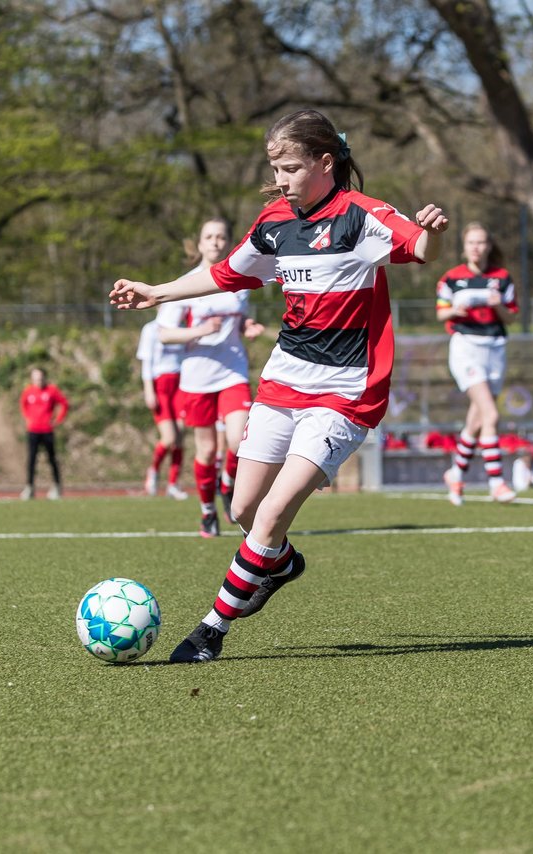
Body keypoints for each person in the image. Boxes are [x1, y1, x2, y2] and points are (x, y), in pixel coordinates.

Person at [111, 108, 449, 663]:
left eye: (290, 167)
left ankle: (209, 632)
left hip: (344, 393)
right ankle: (282, 563)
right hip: (282, 381)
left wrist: (435, 235)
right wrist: (157, 291)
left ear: (324, 162)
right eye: (275, 167)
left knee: (269, 516)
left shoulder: (360, 217)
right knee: (244, 508)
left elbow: (419, 249)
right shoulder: (275, 222)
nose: (281, 178)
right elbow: (224, 274)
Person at [155, 217, 264, 537]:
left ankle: (228, 484)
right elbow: (164, 334)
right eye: (210, 237)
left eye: (221, 237)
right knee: (205, 451)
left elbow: (239, 319)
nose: (216, 242)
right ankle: (207, 512)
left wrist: (247, 326)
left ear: (228, 242)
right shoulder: (187, 284)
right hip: (197, 377)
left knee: (238, 440)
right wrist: (200, 330)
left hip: (232, 371)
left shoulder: (239, 281)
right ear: (200, 244)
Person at [435, 222, 520, 505]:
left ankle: (456, 474)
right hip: (466, 347)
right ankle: (496, 483)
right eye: (471, 242)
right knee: (491, 416)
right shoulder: (452, 279)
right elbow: (441, 313)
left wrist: (497, 304)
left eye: (481, 242)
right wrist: (454, 311)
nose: (476, 247)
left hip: (495, 348)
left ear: (489, 245)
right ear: (464, 247)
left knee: (476, 420)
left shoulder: (502, 278)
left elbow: (510, 317)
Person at [136, 317, 188, 500]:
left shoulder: (183, 327)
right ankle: (153, 472)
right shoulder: (151, 329)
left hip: (181, 383)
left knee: (180, 438)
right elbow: (146, 363)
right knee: (168, 438)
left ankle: (173, 484)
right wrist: (149, 390)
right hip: (161, 386)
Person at [19, 367, 69, 499]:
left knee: (52, 459)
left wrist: (57, 420)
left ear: (45, 378)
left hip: (47, 430)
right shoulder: (28, 392)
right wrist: (28, 418)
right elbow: (23, 405)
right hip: (33, 431)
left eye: (40, 378)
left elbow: (64, 404)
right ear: (32, 379)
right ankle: (29, 487)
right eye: (35, 379)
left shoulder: (52, 390)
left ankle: (57, 487)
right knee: (31, 460)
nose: (38, 381)